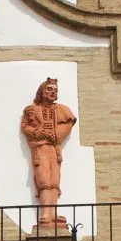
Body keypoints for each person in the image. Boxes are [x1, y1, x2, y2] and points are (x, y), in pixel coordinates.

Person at [20, 78, 77, 226]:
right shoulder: (33, 110)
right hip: (40, 149)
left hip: (54, 149)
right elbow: (26, 128)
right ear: (42, 92)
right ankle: (45, 213)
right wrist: (40, 132)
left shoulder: (61, 109)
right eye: (49, 89)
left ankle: (53, 213)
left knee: (54, 180)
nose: (53, 92)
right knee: (44, 179)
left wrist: (57, 134)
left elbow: (68, 124)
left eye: (55, 90)